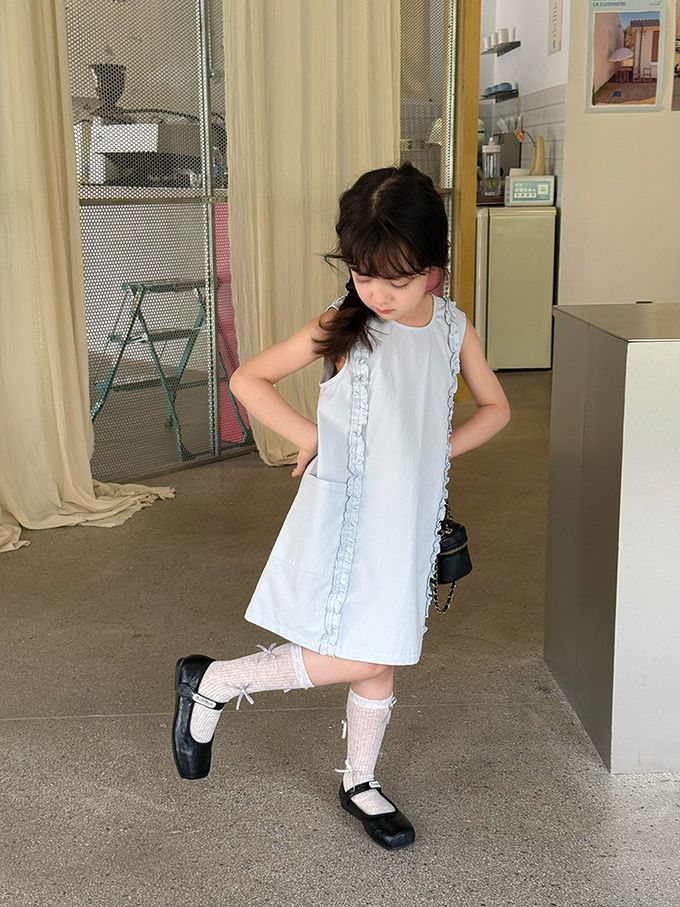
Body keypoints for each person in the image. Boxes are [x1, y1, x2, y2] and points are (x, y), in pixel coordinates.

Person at [172, 162, 511, 850]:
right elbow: (249, 378)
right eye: (363, 275)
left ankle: (356, 778)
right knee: (369, 651)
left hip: (407, 519)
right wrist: (313, 438)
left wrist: (433, 452)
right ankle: (215, 680)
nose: (378, 294)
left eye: (398, 279)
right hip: (350, 516)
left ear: (435, 270)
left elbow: (496, 408)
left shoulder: (452, 327)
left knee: (381, 655)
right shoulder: (345, 325)